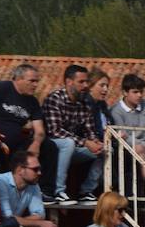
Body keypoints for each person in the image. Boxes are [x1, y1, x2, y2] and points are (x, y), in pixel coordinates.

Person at [42, 64, 106, 206]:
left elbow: (90, 131)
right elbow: (55, 131)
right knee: (68, 143)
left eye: (87, 82)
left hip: (72, 147)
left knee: (105, 150)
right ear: (68, 82)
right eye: (81, 82)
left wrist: (96, 143)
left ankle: (86, 192)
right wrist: (85, 142)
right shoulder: (54, 99)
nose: (85, 86)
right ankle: (58, 191)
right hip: (51, 147)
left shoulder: (84, 104)